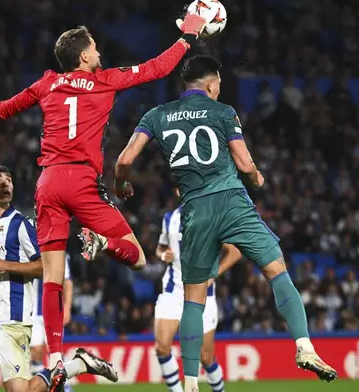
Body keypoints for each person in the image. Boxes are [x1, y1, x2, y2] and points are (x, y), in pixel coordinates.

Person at [0, 14, 208, 388]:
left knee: (52, 278)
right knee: (137, 256)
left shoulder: (47, 83)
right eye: (94, 47)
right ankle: (103, 242)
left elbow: (12, 105)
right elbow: (157, 69)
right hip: (81, 180)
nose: (99, 51)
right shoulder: (105, 80)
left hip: (48, 184)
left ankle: (57, 358)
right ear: (83, 57)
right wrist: (188, 37)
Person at [110, 55, 338, 391]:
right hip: (232, 201)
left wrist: (121, 186)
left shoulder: (156, 115)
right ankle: (304, 346)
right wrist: (257, 176)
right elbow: (243, 162)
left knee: (194, 298)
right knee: (277, 270)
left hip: (194, 210)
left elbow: (124, 160)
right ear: (211, 84)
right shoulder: (223, 111)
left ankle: (189, 383)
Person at [0, 165, 117, 392]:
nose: (6, 183)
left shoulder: (21, 225)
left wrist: (3, 265)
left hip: (14, 325)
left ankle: (78, 364)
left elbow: (48, 268)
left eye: (9, 179)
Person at [155, 193, 242, 392]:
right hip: (173, 291)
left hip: (203, 294)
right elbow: (159, 248)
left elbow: (235, 251)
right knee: (161, 348)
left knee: (206, 357)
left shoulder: (212, 217)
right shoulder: (169, 219)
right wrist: (163, 255)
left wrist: (213, 275)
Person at [30, 254, 73, 383]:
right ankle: (40, 385)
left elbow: (67, 282)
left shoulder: (59, 252)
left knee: (54, 351)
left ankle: (63, 384)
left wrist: (67, 308)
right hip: (32, 312)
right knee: (36, 350)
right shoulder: (27, 246)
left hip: (54, 310)